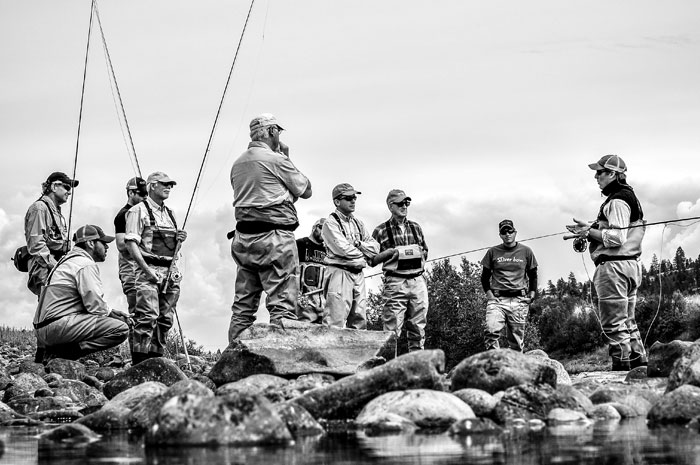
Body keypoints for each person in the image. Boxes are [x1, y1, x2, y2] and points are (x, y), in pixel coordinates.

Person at [228, 113, 312, 341]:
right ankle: (280, 359)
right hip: (275, 239)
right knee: (282, 305)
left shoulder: (238, 164)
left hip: (243, 240)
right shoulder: (277, 160)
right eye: (278, 132)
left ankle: (232, 359)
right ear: (272, 131)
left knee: (243, 307)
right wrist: (286, 156)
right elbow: (306, 190)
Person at [566, 155, 647, 371]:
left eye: (600, 172)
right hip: (629, 266)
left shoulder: (618, 200)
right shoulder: (628, 196)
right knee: (628, 321)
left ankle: (621, 370)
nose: (596, 176)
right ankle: (639, 366)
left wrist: (587, 232)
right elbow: (618, 231)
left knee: (614, 324)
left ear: (612, 174)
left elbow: (616, 238)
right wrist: (591, 227)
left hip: (614, 268)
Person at [33, 225, 130, 363]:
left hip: (42, 330)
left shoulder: (66, 261)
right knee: (120, 329)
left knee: (109, 319)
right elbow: (95, 305)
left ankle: (48, 352)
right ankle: (64, 354)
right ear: (91, 243)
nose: (107, 247)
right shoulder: (85, 264)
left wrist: (111, 311)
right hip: (57, 327)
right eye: (103, 243)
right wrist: (114, 316)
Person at [124, 172, 187, 365]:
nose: (169, 187)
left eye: (170, 185)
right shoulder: (137, 211)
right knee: (147, 316)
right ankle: (139, 362)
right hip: (148, 270)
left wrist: (180, 240)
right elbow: (131, 244)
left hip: (169, 271)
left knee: (165, 318)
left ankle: (156, 359)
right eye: (164, 184)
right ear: (152, 186)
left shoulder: (171, 214)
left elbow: (173, 249)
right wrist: (146, 270)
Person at [371, 189, 429, 351]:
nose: (404, 206)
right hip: (395, 282)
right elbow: (371, 260)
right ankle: (388, 368)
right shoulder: (380, 230)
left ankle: (417, 366)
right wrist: (390, 253)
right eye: (400, 203)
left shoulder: (416, 227)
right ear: (391, 206)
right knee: (391, 330)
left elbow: (426, 251)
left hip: (418, 281)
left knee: (418, 328)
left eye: (407, 203)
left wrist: (415, 254)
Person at [322, 183, 379, 329]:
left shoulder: (358, 223)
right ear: (337, 201)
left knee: (359, 321)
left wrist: (358, 244)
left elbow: (376, 248)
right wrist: (366, 253)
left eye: (354, 197)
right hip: (339, 273)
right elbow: (344, 250)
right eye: (348, 198)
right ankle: (330, 352)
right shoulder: (330, 223)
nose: (353, 200)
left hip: (358, 275)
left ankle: (358, 352)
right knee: (335, 320)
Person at [480, 219, 538, 352]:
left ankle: (515, 369)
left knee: (516, 343)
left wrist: (532, 295)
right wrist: (490, 296)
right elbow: (484, 277)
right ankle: (496, 363)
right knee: (490, 331)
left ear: (515, 232)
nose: (507, 234)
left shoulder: (526, 251)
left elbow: (533, 275)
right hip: (497, 300)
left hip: (519, 300)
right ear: (500, 235)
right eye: (503, 232)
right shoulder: (492, 252)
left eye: (510, 231)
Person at [24, 172, 78, 297]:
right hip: (45, 271)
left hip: (53, 270)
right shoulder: (39, 208)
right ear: (54, 187)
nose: (69, 192)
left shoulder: (55, 211)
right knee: (50, 309)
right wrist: (56, 266)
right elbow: (36, 244)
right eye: (67, 187)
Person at [114, 176, 148, 351]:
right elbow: (121, 245)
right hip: (130, 270)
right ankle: (136, 352)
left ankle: (148, 350)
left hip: (145, 269)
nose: (145, 197)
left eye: (146, 193)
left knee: (150, 311)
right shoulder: (123, 215)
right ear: (130, 192)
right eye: (141, 194)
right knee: (136, 310)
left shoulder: (145, 213)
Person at [296, 218, 327, 323]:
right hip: (304, 299)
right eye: (322, 228)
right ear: (314, 227)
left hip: (323, 301)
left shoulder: (329, 251)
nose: (324, 232)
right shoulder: (300, 244)